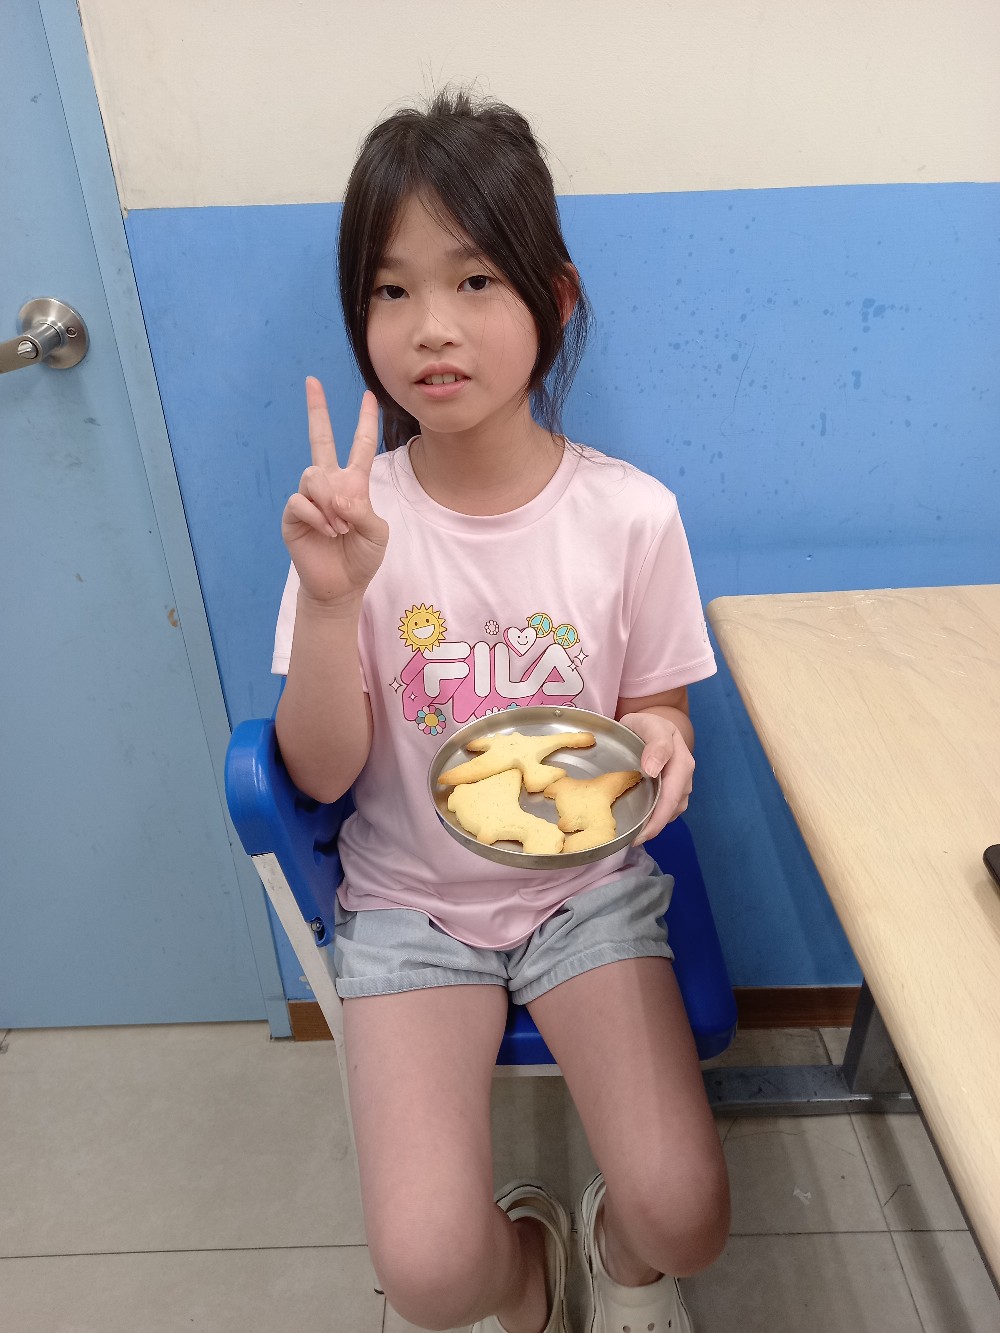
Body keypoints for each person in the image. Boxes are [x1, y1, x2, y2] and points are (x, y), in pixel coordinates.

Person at [272, 88, 730, 1333]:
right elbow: (319, 775)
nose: (432, 326)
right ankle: (526, 1267)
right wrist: (332, 602)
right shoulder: (351, 524)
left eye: (474, 280)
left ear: (553, 298)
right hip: (409, 907)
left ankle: (614, 1251)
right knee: (427, 1276)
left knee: (685, 1216)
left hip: (589, 889)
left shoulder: (630, 515)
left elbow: (655, 707)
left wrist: (667, 737)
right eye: (390, 289)